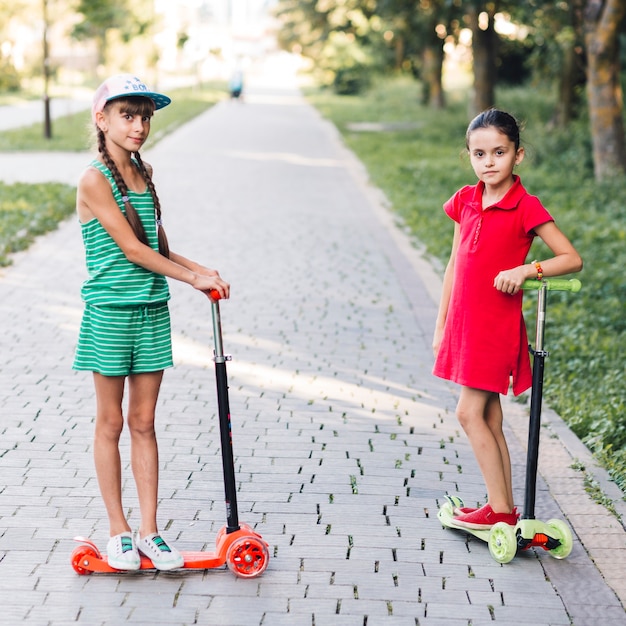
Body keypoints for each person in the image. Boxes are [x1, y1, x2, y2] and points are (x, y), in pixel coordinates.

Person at [73, 74, 230, 570]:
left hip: (149, 313)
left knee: (144, 423)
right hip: (110, 314)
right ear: (102, 120)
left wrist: (200, 269)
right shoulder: (95, 179)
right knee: (111, 422)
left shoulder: (142, 172)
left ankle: (149, 531)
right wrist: (189, 279)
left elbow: (157, 247)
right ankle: (118, 530)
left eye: (144, 117)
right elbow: (131, 250)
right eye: (128, 115)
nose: (139, 125)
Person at [432, 109, 582, 530]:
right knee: (490, 417)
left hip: (494, 328)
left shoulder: (525, 206)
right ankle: (503, 507)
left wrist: (526, 270)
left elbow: (571, 258)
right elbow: (453, 266)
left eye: (499, 151)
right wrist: (441, 325)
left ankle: (499, 510)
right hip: (464, 324)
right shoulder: (465, 199)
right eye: (479, 154)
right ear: (470, 156)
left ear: (518, 154)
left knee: (467, 414)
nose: (489, 162)